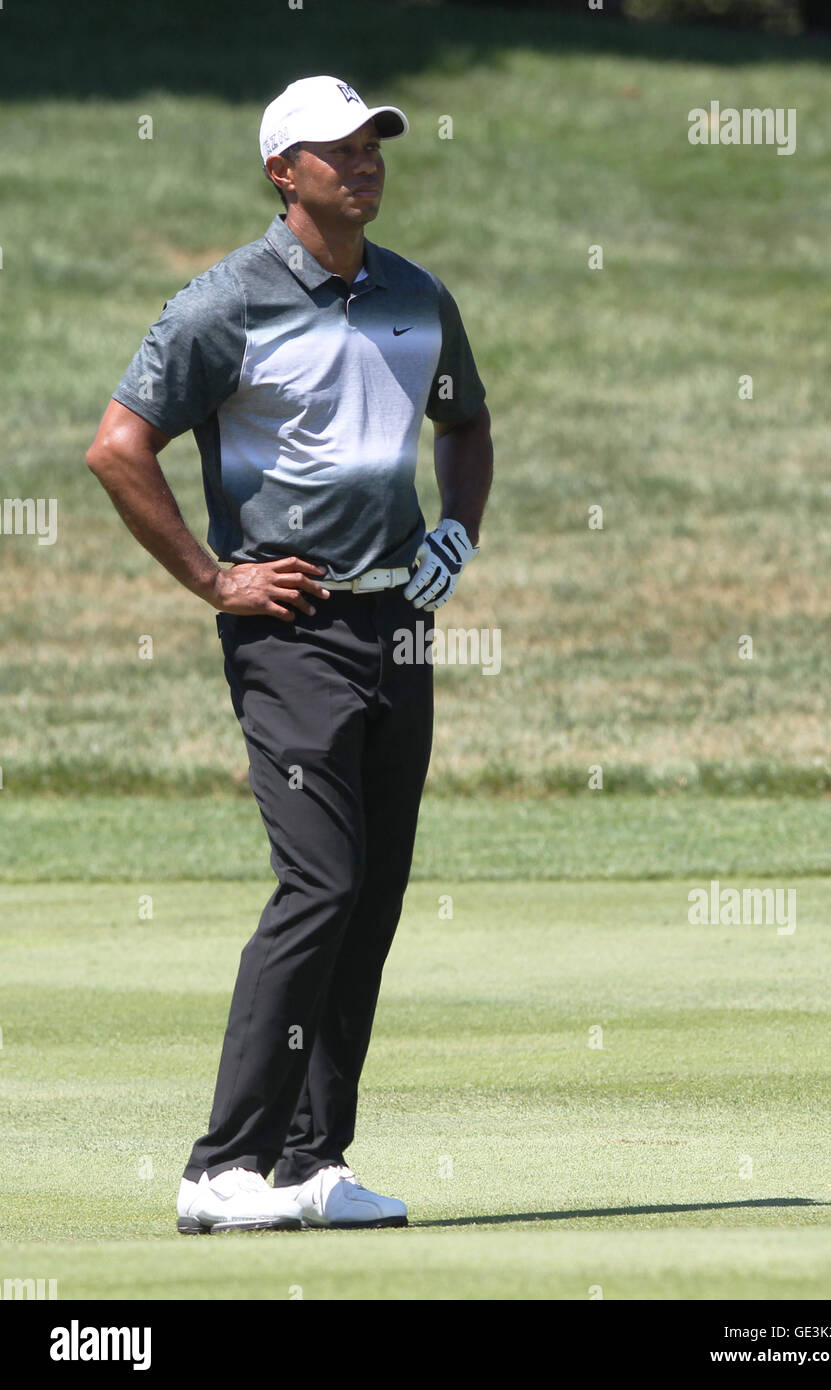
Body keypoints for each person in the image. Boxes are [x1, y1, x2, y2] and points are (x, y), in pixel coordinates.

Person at [85, 75, 494, 1233]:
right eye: (336, 149)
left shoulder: (416, 295)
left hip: (394, 625)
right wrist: (215, 579)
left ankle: (313, 1164)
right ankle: (221, 1167)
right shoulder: (226, 304)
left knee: (370, 897)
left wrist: (456, 528)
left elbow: (463, 421)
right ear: (283, 171)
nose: (362, 161)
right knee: (320, 882)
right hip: (288, 631)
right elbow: (118, 448)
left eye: (372, 142)